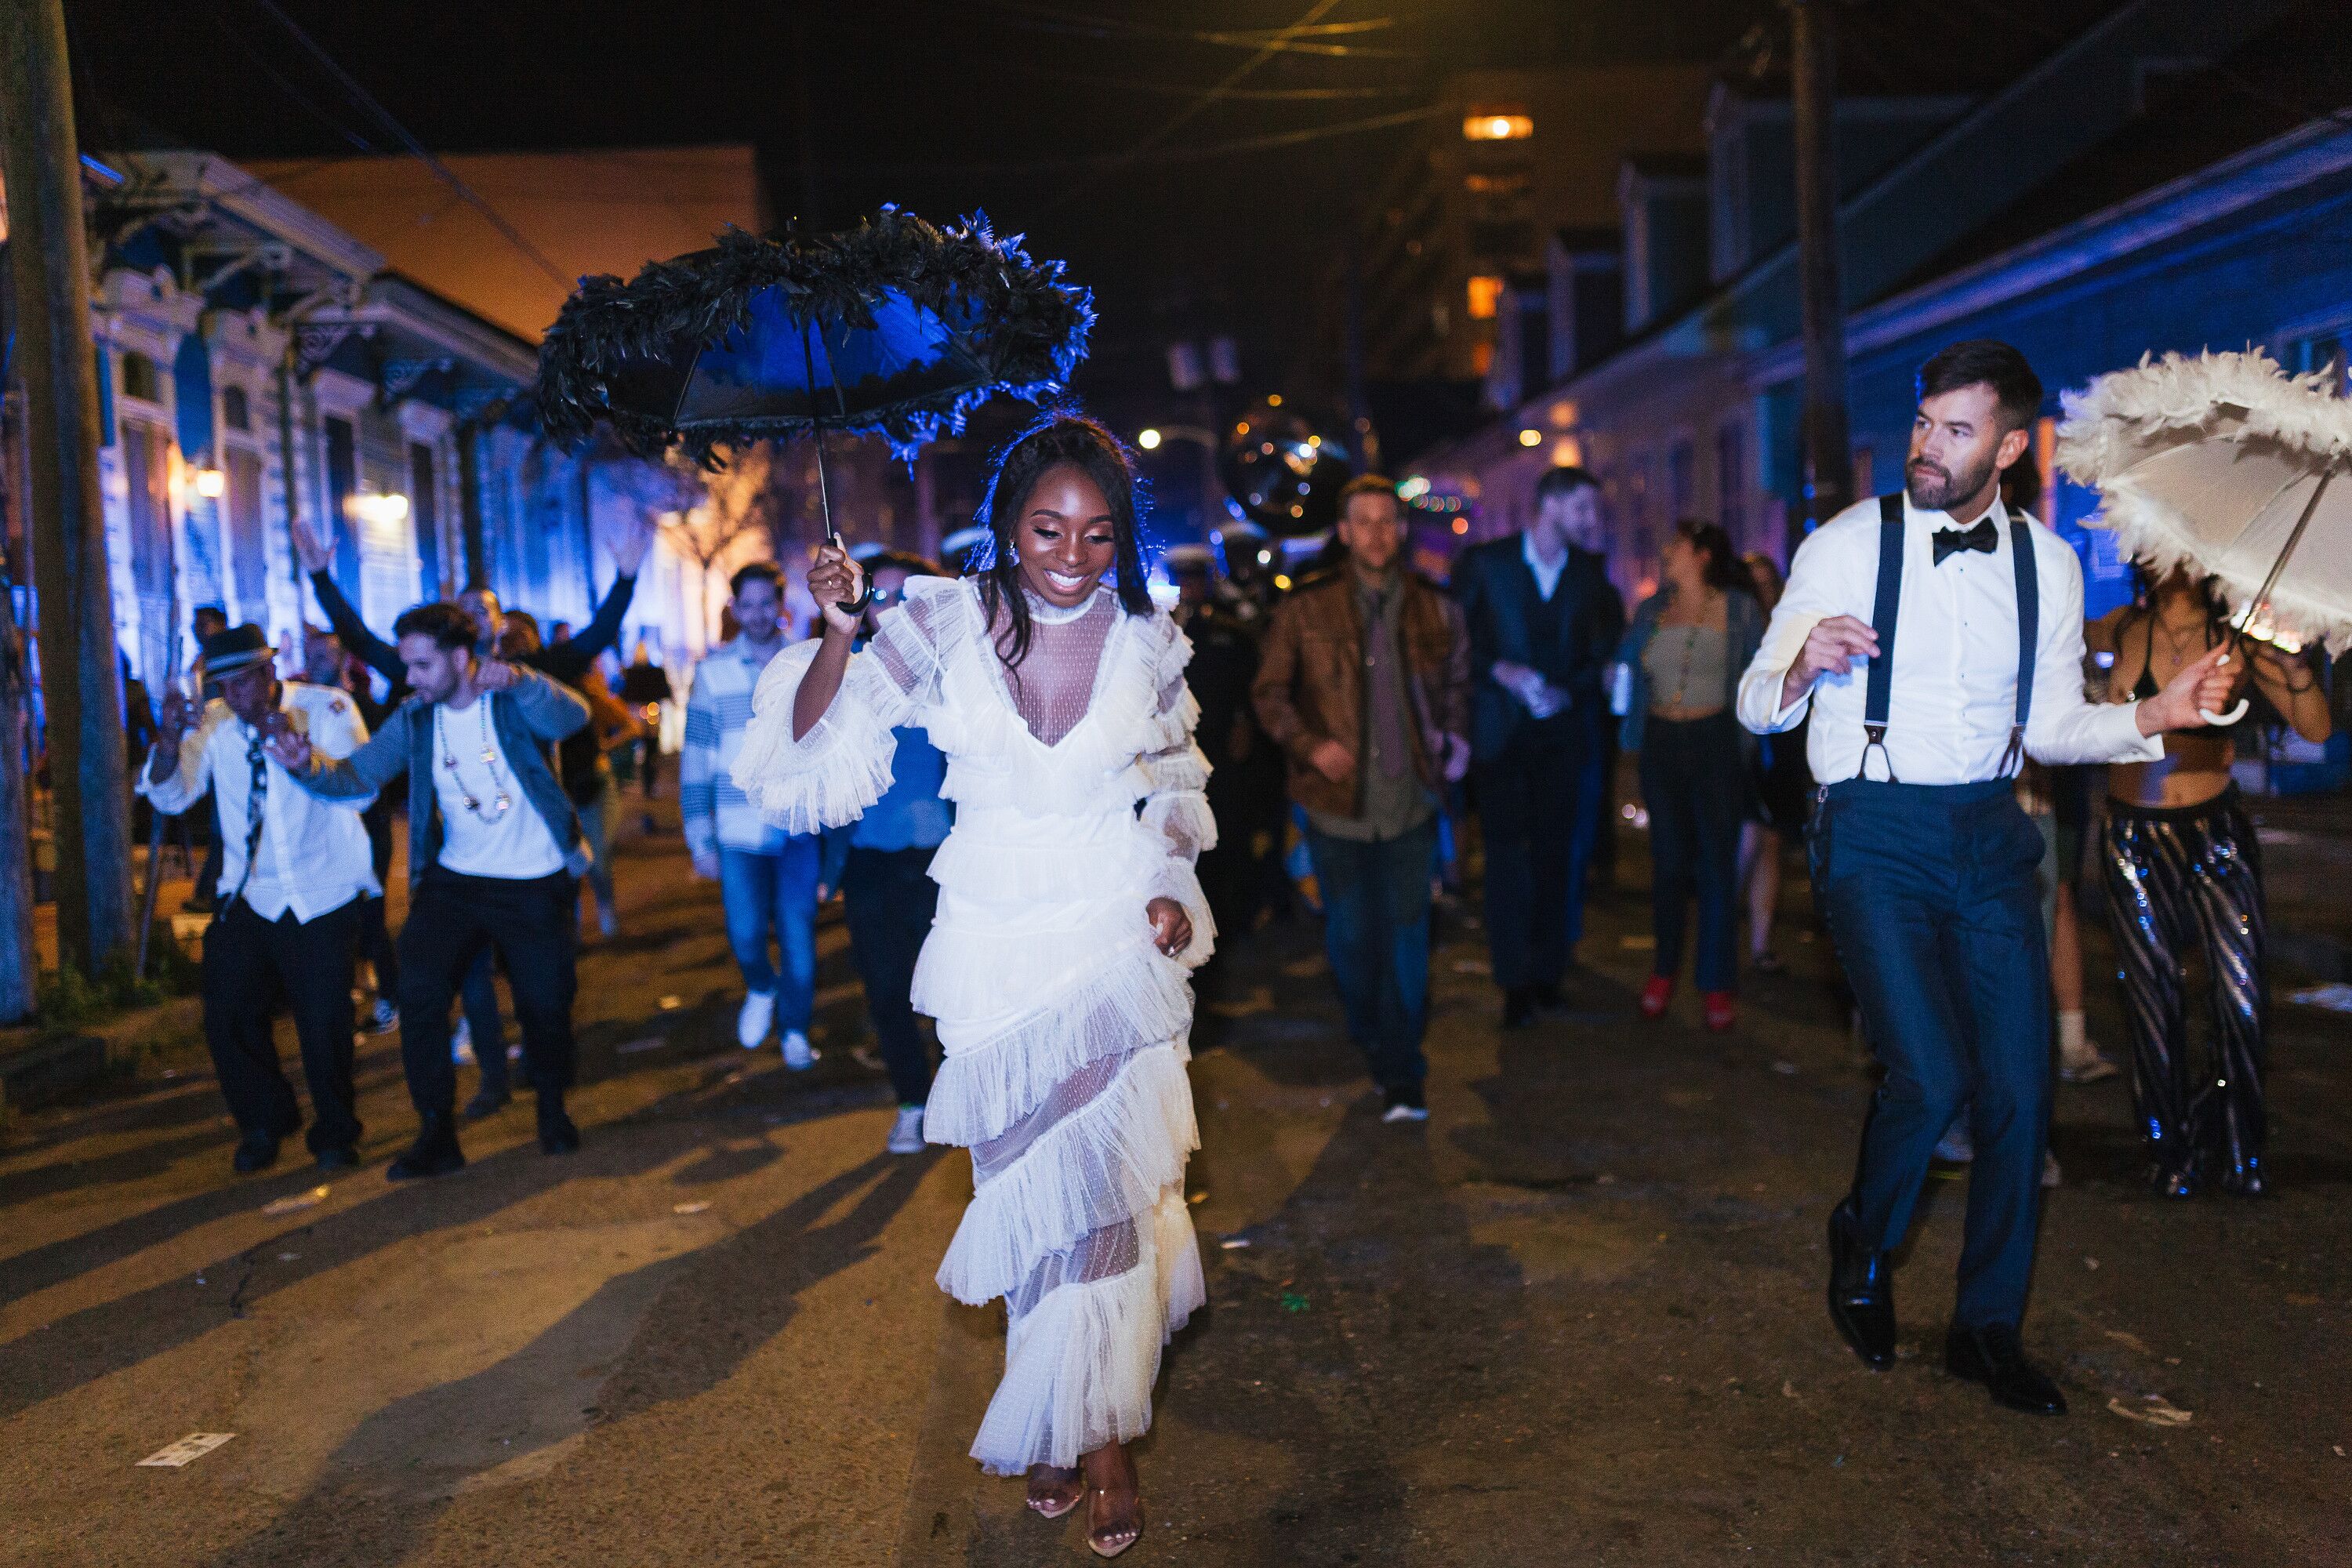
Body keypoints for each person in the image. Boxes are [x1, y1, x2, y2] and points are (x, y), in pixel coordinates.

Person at [734, 413, 1208, 1555]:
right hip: (993, 945)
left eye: (1099, 532)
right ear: (1007, 523)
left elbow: (1177, 787)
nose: (1072, 552)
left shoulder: (1149, 638)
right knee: (1028, 1195)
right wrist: (840, 631)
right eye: (1048, 526)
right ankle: (1056, 1406)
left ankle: (1102, 1444)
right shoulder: (942, 620)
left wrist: (1169, 887)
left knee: (1100, 1197)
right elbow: (807, 751)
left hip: (1105, 931)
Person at [1739, 339, 2237, 1414]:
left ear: (2010, 447)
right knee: (1929, 1075)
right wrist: (1799, 665)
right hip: (1871, 823)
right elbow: (1753, 700)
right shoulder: (1844, 543)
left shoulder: (2047, 566)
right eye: (1923, 423)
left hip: (1991, 829)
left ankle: (1987, 1328)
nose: (1927, 446)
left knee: (2020, 1088)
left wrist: (2157, 713)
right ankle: (1863, 1237)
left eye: (1955, 431)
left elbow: (2050, 727)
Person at [269, 602, 593, 1180]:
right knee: (418, 991)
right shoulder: (417, 719)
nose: (411, 679)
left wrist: (523, 679)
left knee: (546, 1004)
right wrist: (306, 766)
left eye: (422, 666)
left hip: (534, 879)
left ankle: (551, 1107)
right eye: (407, 666)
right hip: (456, 881)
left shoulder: (511, 698)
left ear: (462, 658)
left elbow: (571, 719)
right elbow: (359, 775)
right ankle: (437, 1133)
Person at [2095, 565, 2331, 1196]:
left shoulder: (2241, 637)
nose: (2173, 562)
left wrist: (2298, 665)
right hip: (2133, 836)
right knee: (2152, 1001)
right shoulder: (2121, 629)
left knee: (2242, 997)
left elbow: (2316, 728)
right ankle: (2171, 1152)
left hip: (2216, 834)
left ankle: (2238, 1147)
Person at [1253, 474, 1471, 1123]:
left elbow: (1459, 682)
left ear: (1401, 530)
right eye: (1363, 522)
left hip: (1411, 804)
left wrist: (1456, 737)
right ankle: (1374, 1028)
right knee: (1350, 937)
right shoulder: (1304, 611)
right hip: (1334, 806)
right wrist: (1310, 744)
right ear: (1344, 533)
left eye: (1388, 521)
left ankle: (1403, 1069)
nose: (1377, 533)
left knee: (1407, 937)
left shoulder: (1437, 607)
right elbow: (1270, 694)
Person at [139, 623, 377, 1174]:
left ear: (269, 674)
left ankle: (336, 1133)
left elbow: (361, 789)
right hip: (249, 894)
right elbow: (173, 796)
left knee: (324, 1022)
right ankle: (265, 1121)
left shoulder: (327, 708)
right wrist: (170, 740)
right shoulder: (216, 725)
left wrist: (304, 755)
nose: (233, 697)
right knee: (227, 1014)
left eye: (243, 683)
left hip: (322, 892)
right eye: (222, 686)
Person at [1452, 465, 1625, 1025]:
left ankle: (1549, 972)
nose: (1591, 521)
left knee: (1558, 856)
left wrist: (1566, 693)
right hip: (1500, 736)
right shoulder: (1487, 563)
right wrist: (1497, 669)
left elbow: (1600, 654)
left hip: (1561, 737)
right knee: (1506, 859)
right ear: (1550, 505)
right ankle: (1513, 980)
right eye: (1582, 509)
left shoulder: (1589, 577)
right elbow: (1454, 644)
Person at [815, 550, 956, 1154]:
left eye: (908, 597)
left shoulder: (955, 673)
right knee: (886, 988)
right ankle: (912, 1103)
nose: (892, 608)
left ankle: (966, 1099)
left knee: (954, 989)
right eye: (881, 595)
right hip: (870, 856)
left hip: (945, 858)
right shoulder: (846, 671)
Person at [1618, 520, 1763, 1032]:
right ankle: (1663, 970)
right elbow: (1627, 667)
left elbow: (1760, 679)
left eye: (1675, 545)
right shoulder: (1652, 610)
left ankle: (1716, 982)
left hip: (1714, 742)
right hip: (1663, 742)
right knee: (1668, 863)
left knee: (1715, 867)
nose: (1665, 552)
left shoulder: (1739, 610)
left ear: (1701, 554)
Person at [681, 561, 824, 1069]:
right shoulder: (713, 672)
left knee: (798, 934)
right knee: (744, 932)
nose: (759, 613)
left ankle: (795, 1030)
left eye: (768, 602)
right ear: (735, 608)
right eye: (749, 604)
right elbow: (696, 758)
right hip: (737, 829)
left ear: (781, 605)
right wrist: (699, 837)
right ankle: (762, 987)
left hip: (798, 829)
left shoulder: (807, 662)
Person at [1738, 553, 1809, 973]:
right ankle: (1726, 921)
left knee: (1770, 841)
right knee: (1748, 837)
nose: (1762, 592)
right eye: (1755, 584)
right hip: (1746, 745)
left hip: (1782, 746)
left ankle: (1760, 941)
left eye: (1769, 583)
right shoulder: (1739, 623)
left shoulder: (1791, 624)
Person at [618, 638, 675, 804]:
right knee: (649, 750)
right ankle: (646, 783)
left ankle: (640, 782)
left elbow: (624, 692)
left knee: (642, 749)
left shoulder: (632, 672)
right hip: (649, 713)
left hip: (639, 713)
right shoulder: (653, 672)